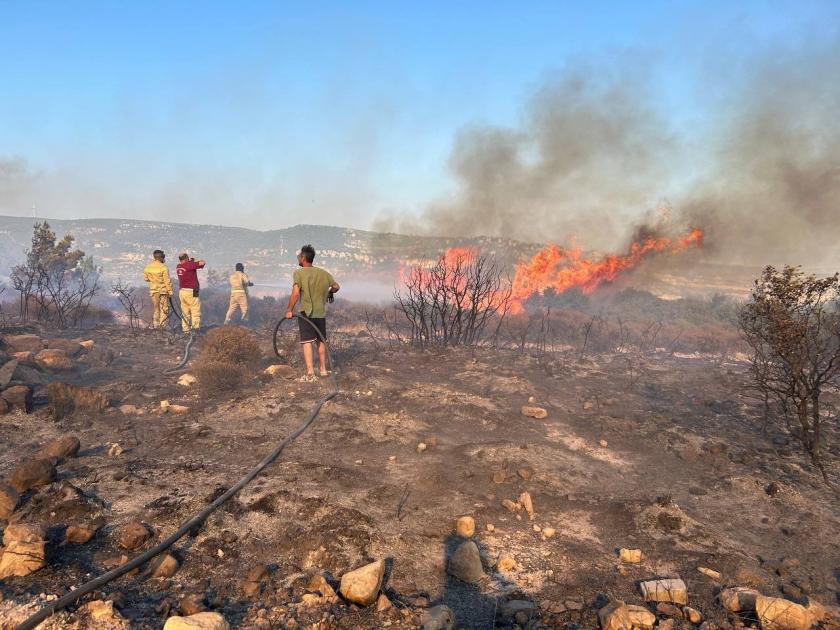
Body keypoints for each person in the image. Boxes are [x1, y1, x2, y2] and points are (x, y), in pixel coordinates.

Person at [285, 244, 340, 381]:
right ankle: (323, 369)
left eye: (299, 256)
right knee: (321, 341)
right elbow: (336, 287)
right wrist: (329, 292)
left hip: (306, 313)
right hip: (320, 313)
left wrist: (289, 310)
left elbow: (296, 293)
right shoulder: (324, 273)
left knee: (307, 342)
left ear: (303, 258)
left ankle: (310, 372)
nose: (298, 258)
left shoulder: (299, 273)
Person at [176, 252, 206, 332]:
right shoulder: (189, 265)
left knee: (185, 312)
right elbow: (202, 263)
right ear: (186, 258)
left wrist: (191, 262)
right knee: (195, 309)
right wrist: (192, 262)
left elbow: (190, 267)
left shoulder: (178, 267)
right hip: (193, 291)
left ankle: (185, 330)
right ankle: (195, 329)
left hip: (182, 291)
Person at [143, 249, 173, 328]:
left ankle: (156, 325)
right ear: (161, 257)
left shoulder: (148, 267)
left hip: (153, 291)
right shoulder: (164, 267)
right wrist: (170, 291)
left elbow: (146, 279)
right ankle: (163, 326)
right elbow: (167, 281)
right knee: (164, 309)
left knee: (156, 309)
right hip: (163, 291)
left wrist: (153, 280)